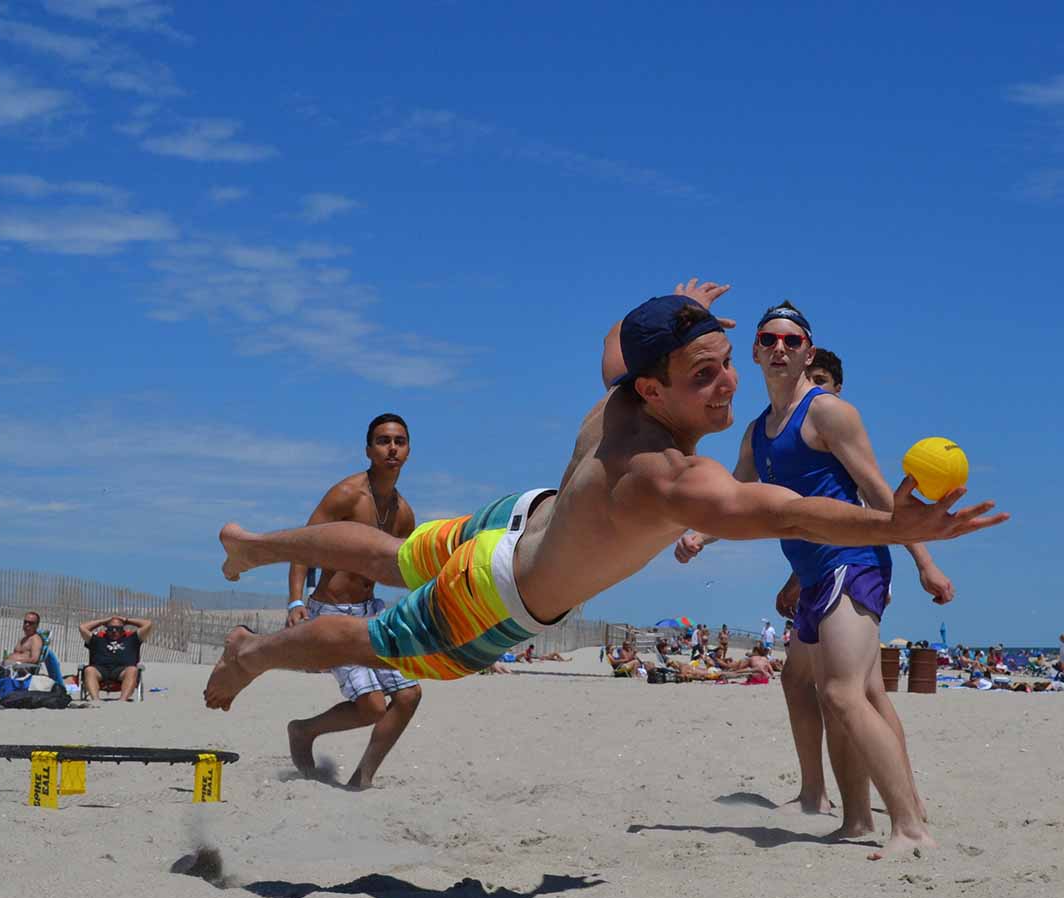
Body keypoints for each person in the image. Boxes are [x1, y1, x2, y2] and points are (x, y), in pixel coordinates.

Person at [206, 286, 1007, 856]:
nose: (729, 381)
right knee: (376, 642)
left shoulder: (621, 397)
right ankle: (255, 653)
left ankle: (256, 543)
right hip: (502, 593)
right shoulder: (667, 476)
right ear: (658, 387)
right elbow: (785, 512)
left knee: (392, 552)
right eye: (706, 374)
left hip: (516, 519)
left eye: (727, 362)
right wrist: (893, 526)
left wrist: (676, 304)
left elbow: (611, 353)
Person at [673, 294, 971, 855]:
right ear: (755, 354)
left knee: (841, 694)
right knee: (844, 695)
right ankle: (856, 819)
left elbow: (880, 493)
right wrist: (699, 534)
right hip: (811, 574)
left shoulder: (828, 412)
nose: (780, 348)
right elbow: (735, 498)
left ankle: (910, 825)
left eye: (791, 340)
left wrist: (926, 561)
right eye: (769, 340)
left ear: (808, 353)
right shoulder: (758, 432)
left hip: (852, 563)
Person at [281, 413, 423, 789]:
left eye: (399, 441)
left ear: (408, 450)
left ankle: (362, 779)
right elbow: (302, 546)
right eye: (383, 441)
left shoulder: (403, 513)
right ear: (368, 449)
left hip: (370, 611)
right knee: (372, 707)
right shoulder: (346, 494)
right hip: (331, 612)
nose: (392, 448)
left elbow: (407, 569)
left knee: (409, 696)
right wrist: (296, 602)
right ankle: (304, 731)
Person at [79, 614, 152, 701]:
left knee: (132, 670)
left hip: (122, 670)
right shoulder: (97, 639)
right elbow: (82, 627)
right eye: (111, 628)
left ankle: (122, 700)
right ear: (106, 629)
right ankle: (96, 701)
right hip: (100, 670)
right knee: (89, 670)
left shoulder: (132, 639)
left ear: (123, 629)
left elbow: (148, 624)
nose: (114, 631)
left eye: (118, 628)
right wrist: (102, 621)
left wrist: (126, 620)